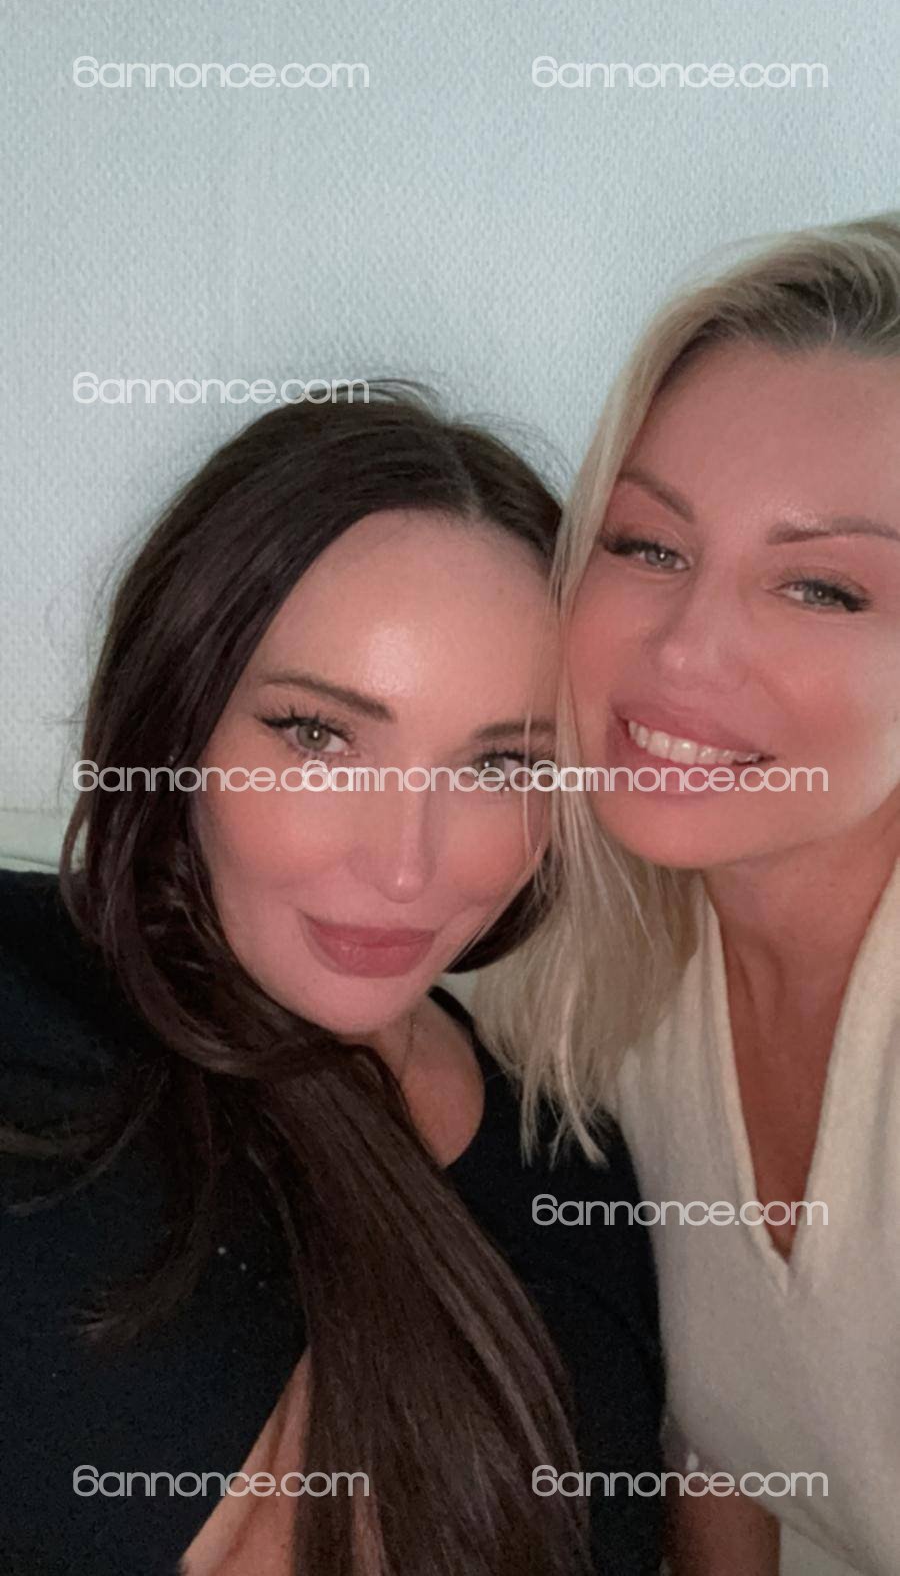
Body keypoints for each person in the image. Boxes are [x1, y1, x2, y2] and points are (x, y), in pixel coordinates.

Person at [0, 386, 664, 1576]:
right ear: (176, 726)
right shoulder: (33, 1010)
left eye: (503, 765)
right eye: (317, 735)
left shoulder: (578, 1165)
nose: (404, 867)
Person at [475, 216, 900, 1575]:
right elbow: (723, 1446)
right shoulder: (602, 984)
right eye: (650, 545)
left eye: (822, 586)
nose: (685, 649)